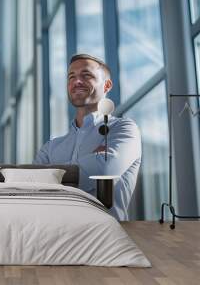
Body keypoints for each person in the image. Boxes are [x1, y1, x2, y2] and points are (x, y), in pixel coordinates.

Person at [33, 54, 141, 220]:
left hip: (107, 239)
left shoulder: (124, 129)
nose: (77, 82)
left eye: (86, 75)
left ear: (107, 85)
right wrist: (92, 160)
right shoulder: (51, 147)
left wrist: (51, 174)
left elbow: (104, 170)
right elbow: (33, 187)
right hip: (55, 237)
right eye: (71, 77)